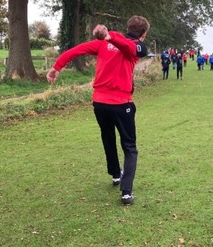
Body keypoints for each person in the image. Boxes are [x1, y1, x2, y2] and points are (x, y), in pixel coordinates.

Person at [46, 15, 150, 205]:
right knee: (129, 147)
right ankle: (126, 192)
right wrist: (57, 66)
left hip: (100, 103)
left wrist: (56, 67)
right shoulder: (117, 42)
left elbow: (131, 48)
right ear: (144, 33)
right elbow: (79, 50)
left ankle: (115, 175)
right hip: (119, 103)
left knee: (108, 136)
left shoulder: (123, 43)